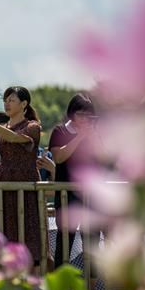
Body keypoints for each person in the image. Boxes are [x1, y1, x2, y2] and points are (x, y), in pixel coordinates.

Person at [0, 86, 42, 265]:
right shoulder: (0, 128)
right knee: (2, 226)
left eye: (11, 100)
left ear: (24, 104)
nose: (7, 104)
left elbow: (14, 138)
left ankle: (29, 275)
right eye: (5, 100)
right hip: (4, 182)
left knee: (27, 228)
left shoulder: (32, 126)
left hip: (26, 183)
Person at [48, 93, 97, 269]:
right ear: (71, 112)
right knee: (64, 242)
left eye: (88, 115)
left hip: (90, 196)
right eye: (80, 113)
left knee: (92, 243)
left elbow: (105, 158)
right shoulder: (59, 131)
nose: (84, 118)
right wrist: (79, 137)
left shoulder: (94, 134)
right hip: (65, 195)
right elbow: (59, 157)